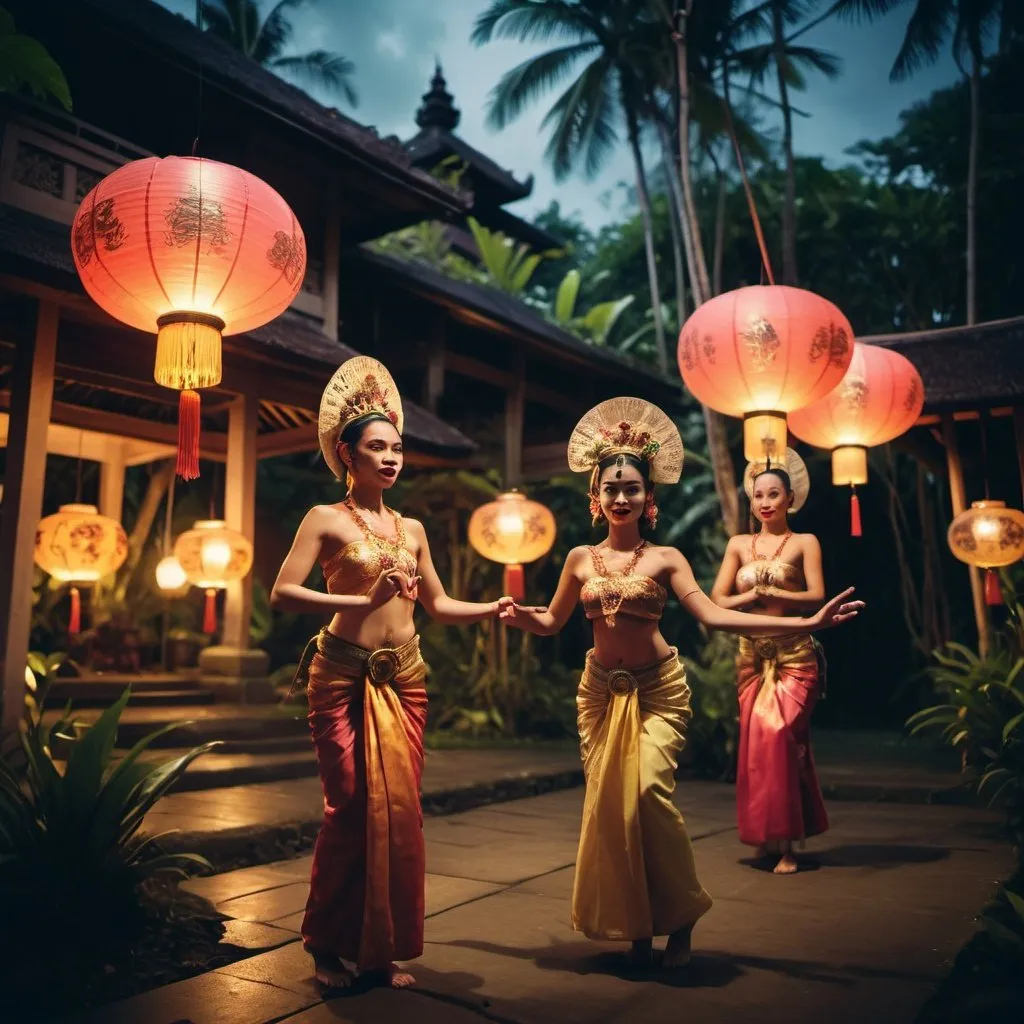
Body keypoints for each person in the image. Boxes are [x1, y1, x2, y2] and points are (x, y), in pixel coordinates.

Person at [500, 398, 862, 968]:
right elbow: (551, 621)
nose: (623, 497)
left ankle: (683, 913)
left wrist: (808, 621)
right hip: (600, 692)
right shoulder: (578, 558)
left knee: (647, 794)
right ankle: (640, 927)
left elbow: (716, 615)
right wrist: (525, 618)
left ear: (650, 498)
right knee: (613, 808)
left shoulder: (666, 559)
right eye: (613, 488)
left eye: (634, 489)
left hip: (658, 691)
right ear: (596, 496)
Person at [270, 356, 511, 989]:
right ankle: (326, 943)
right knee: (349, 805)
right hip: (343, 675)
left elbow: (437, 605)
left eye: (396, 447)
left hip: (405, 678)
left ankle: (380, 947)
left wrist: (492, 607)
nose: (390, 457)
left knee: (399, 811)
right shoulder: (323, 520)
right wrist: (361, 602)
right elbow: (283, 593)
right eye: (377, 447)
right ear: (346, 454)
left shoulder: (412, 528)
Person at [710, 449, 830, 874]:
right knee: (756, 745)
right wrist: (753, 597)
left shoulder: (804, 543)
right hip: (751, 655)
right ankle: (765, 836)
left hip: (795, 653)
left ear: (790, 498)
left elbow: (816, 595)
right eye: (758, 495)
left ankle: (789, 844)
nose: (765, 502)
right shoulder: (739, 545)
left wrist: (778, 596)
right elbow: (718, 599)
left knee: (782, 738)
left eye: (774, 494)